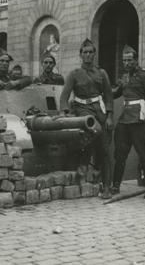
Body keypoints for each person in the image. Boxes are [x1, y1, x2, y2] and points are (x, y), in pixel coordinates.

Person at [59, 39, 113, 199]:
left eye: (91, 52)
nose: (88, 55)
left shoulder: (101, 74)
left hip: (99, 111)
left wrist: (109, 116)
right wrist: (64, 114)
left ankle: (107, 187)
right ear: (80, 55)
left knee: (105, 149)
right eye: (85, 52)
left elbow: (109, 96)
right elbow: (64, 97)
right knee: (90, 134)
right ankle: (84, 164)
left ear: (94, 54)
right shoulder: (74, 74)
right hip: (82, 111)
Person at [111, 45, 145, 198]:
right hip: (125, 120)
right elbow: (116, 93)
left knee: (144, 155)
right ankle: (115, 185)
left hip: (140, 119)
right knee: (120, 154)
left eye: (130, 60)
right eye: (124, 60)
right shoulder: (124, 77)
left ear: (136, 60)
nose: (127, 63)